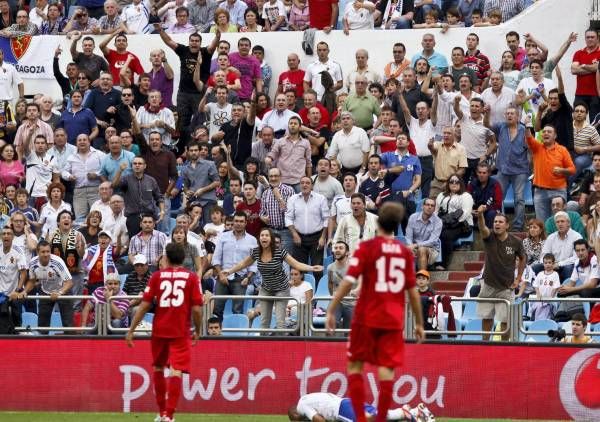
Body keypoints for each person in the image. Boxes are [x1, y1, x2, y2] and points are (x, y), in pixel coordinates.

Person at [325, 202, 424, 422]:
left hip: (366, 316)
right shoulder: (405, 253)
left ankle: (361, 417)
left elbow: (347, 282)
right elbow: (413, 292)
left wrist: (332, 308)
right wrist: (418, 322)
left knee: (355, 366)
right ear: (397, 227)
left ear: (377, 222)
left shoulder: (366, 249)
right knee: (386, 371)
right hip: (392, 319)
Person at [126, 243, 203, 422]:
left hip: (159, 329)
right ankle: (169, 416)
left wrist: (131, 330)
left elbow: (144, 305)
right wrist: (198, 330)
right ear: (183, 258)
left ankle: (161, 413)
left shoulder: (157, 276)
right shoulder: (192, 278)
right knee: (176, 370)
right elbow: (198, 310)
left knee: (158, 368)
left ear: (165, 258)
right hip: (180, 331)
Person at [223, 226, 321, 331]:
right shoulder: (256, 252)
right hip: (266, 289)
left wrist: (312, 267)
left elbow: (296, 264)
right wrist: (229, 271)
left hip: (281, 289)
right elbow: (243, 264)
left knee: (280, 322)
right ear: (259, 238)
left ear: (271, 239)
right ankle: (263, 345)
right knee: (264, 321)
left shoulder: (279, 252)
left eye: (266, 235)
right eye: (262, 235)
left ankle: (281, 346)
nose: (264, 237)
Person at [476, 205, 525, 341]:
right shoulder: (489, 236)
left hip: (507, 286)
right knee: (486, 318)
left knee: (505, 321)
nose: (497, 224)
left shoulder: (516, 241)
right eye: (495, 222)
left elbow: (523, 257)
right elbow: (482, 228)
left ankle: (503, 348)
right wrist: (480, 215)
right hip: (488, 284)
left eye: (500, 222)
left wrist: (519, 278)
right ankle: (485, 344)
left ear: (507, 225)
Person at [211, 211, 257, 319]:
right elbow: (216, 259)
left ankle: (236, 335)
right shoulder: (223, 237)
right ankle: (217, 334)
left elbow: (254, 263)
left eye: (241, 221)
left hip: (241, 279)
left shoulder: (252, 240)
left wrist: (248, 278)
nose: (238, 223)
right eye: (236, 221)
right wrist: (221, 275)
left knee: (237, 311)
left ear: (246, 223)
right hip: (223, 277)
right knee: (217, 309)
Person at [527, 124, 575, 222]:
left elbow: (572, 169)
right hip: (540, 192)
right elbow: (528, 137)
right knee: (542, 224)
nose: (546, 133)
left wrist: (562, 170)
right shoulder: (537, 147)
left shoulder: (562, 150)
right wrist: (527, 125)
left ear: (555, 136)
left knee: (559, 222)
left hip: (558, 192)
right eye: (544, 132)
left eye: (549, 132)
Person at [25, 241, 74, 334]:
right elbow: (32, 281)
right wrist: (24, 291)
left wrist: (59, 293)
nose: (46, 254)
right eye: (43, 252)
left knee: (68, 325)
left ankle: (70, 346)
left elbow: (69, 282)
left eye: (48, 251)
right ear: (37, 252)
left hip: (63, 291)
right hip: (45, 292)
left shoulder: (58, 262)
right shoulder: (32, 263)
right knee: (42, 327)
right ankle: (41, 347)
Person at [288, 392, 434, 422]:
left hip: (340, 410)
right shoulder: (307, 398)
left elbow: (319, 420)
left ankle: (411, 415)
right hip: (345, 402)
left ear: (294, 415)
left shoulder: (301, 406)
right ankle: (415, 411)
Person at [435, 175, 474, 271]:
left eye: (457, 181)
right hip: (444, 223)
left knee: (445, 235)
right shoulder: (441, 195)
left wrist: (449, 223)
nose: (454, 183)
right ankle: (432, 262)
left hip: (462, 225)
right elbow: (436, 211)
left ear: (461, 183)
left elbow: (465, 213)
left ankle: (443, 263)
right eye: (451, 181)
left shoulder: (466, 196)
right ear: (448, 184)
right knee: (433, 233)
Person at [0, 225, 27, 329]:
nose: (6, 236)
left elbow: (24, 273)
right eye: (4, 234)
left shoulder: (18, 251)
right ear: (1, 236)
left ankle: (18, 336)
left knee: (16, 319)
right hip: (1, 292)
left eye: (9, 234)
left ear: (13, 237)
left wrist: (17, 290)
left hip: (15, 291)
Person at [406, 197, 442, 271]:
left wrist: (416, 245)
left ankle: (422, 277)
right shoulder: (413, 217)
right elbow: (408, 237)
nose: (429, 207)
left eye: (432, 206)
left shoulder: (438, 221)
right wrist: (410, 246)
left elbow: (432, 241)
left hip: (432, 250)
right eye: (427, 204)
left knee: (422, 249)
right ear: (422, 206)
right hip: (414, 247)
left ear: (434, 209)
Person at [571, 28, 600, 120]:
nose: (590, 39)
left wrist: (583, 66)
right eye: (588, 37)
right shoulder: (578, 53)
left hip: (596, 94)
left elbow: (598, 68)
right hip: (580, 94)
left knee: (595, 123)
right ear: (585, 39)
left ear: (597, 38)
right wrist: (593, 67)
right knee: (577, 121)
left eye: (592, 37)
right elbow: (574, 70)